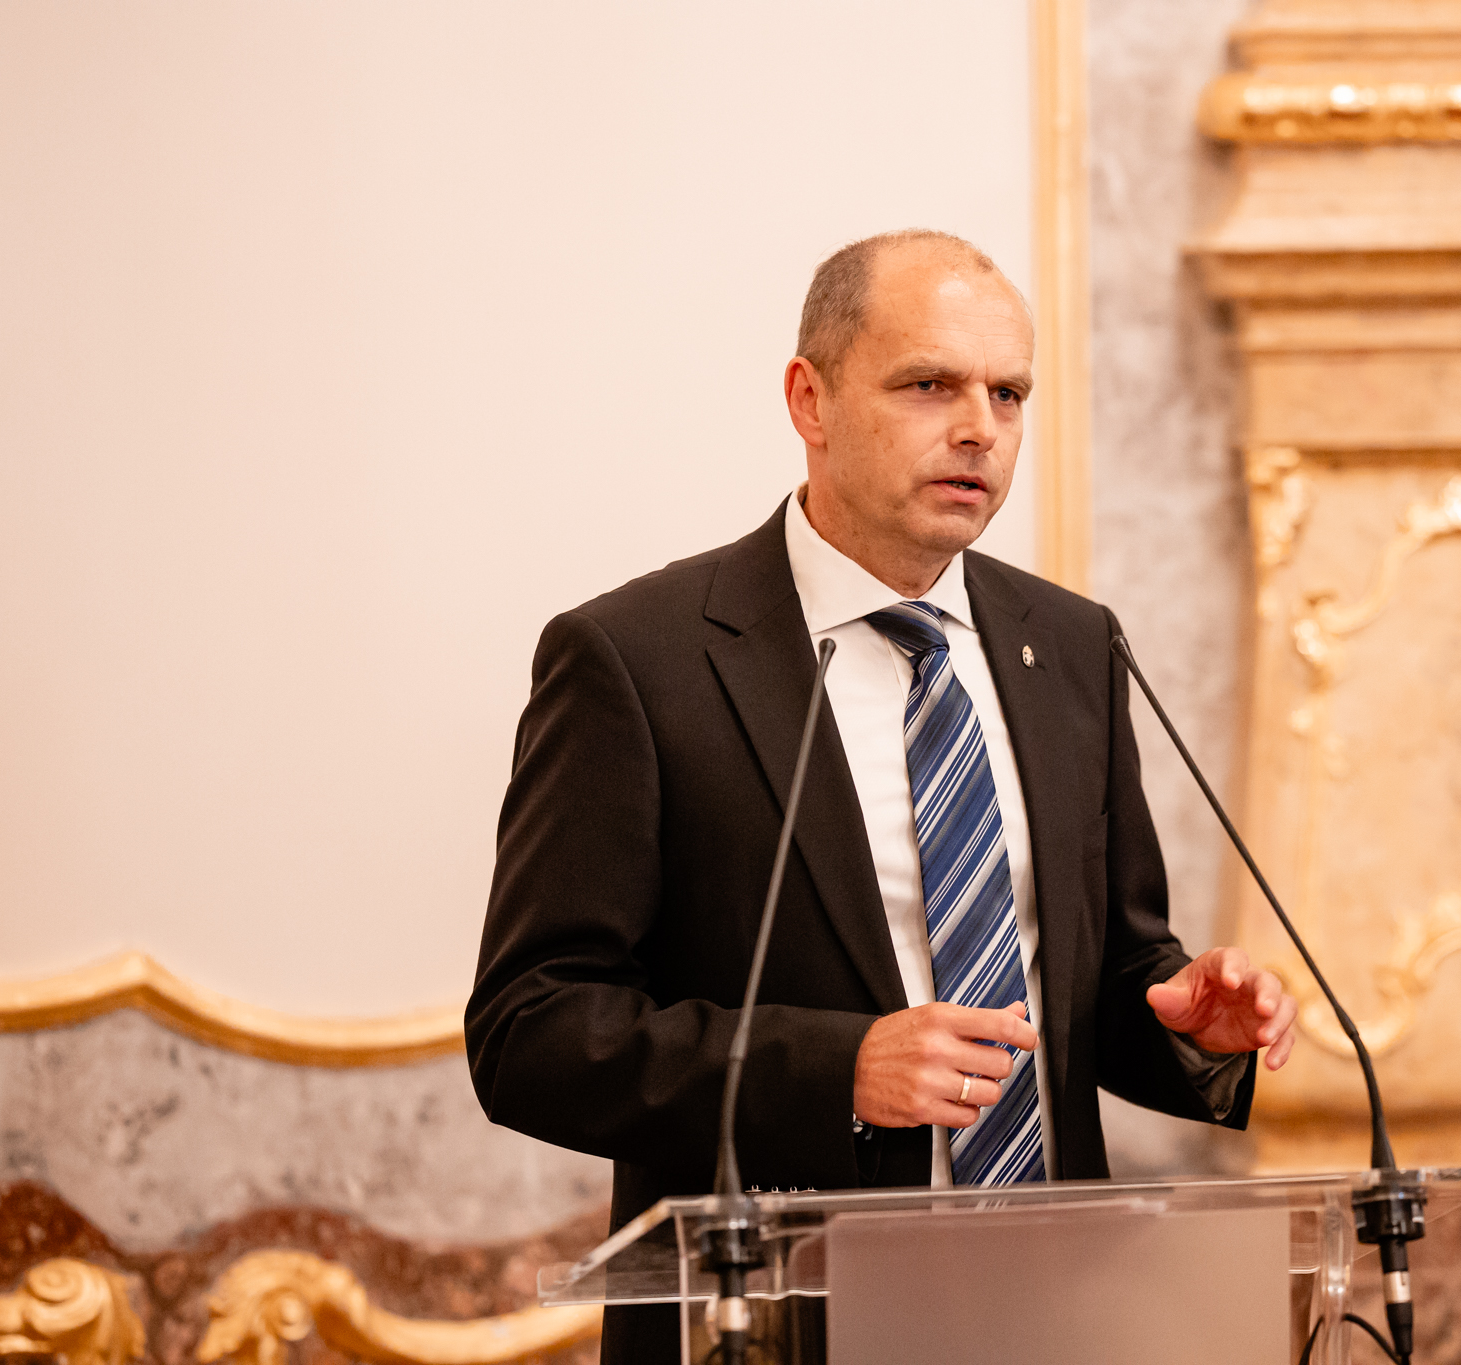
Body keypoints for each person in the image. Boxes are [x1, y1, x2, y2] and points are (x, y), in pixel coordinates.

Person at [465, 229, 1298, 1361]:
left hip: (1052, 1311)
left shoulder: (1070, 646)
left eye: (1009, 394)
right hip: (771, 1324)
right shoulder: (640, 662)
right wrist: (838, 1070)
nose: (980, 427)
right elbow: (530, 1030)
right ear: (809, 400)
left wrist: (1182, 1020)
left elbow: (1094, 977)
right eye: (928, 385)